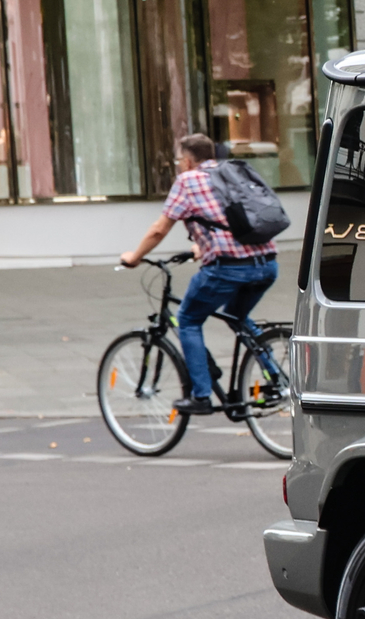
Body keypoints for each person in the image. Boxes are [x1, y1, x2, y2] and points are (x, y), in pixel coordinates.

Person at [119, 133, 278, 414]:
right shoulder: (230, 171)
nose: (179, 165)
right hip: (267, 263)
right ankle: (275, 376)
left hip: (230, 269)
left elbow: (159, 229)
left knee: (188, 319)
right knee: (237, 316)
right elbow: (228, 219)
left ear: (188, 160)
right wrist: (199, 247)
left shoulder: (188, 180)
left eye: (179, 159)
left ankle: (201, 396)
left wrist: (134, 257)